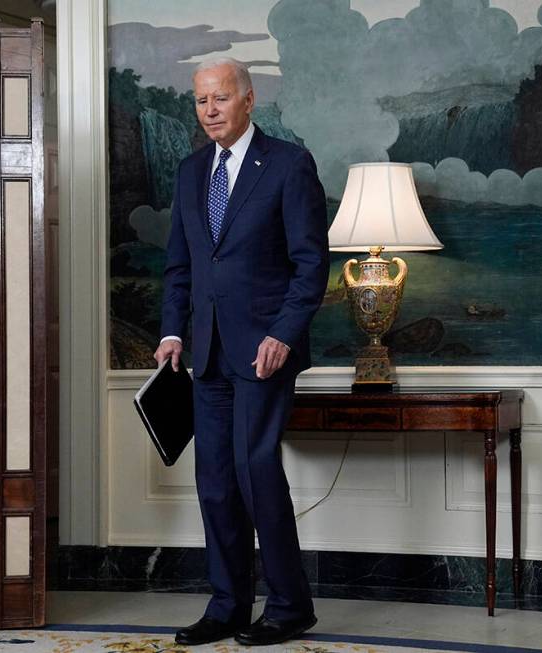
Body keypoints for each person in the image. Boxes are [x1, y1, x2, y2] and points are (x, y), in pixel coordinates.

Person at [154, 57, 329, 646]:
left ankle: (288, 606)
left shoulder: (288, 165)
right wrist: (172, 332)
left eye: (220, 99)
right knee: (216, 482)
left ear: (249, 100)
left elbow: (311, 266)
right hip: (203, 353)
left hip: (263, 352)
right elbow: (181, 264)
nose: (209, 111)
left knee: (256, 472)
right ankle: (227, 605)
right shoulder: (190, 171)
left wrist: (282, 334)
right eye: (201, 101)